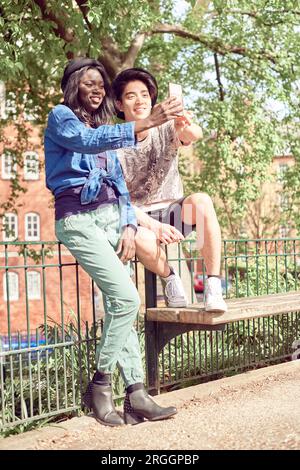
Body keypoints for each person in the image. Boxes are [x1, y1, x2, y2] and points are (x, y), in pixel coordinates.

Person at [44, 58, 183, 426]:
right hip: (78, 219)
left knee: (119, 305)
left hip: (111, 221)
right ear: (73, 85)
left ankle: (136, 392)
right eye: (89, 83)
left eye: (101, 85)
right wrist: (147, 122)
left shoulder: (103, 128)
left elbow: (119, 185)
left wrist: (127, 226)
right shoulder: (61, 117)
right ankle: (101, 384)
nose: (97, 89)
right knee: (127, 299)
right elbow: (84, 142)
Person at [112, 68, 227, 313]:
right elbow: (119, 200)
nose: (140, 100)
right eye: (131, 96)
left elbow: (193, 134)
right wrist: (154, 227)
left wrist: (186, 125)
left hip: (174, 212)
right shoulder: (113, 145)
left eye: (144, 94)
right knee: (138, 235)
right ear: (120, 105)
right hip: (142, 219)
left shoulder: (165, 128)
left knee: (203, 201)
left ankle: (213, 286)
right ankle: (171, 278)